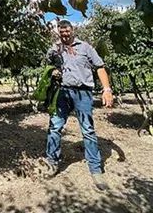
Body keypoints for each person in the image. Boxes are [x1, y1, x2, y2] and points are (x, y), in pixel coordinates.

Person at [45, 19, 113, 191]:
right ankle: (52, 162)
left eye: (67, 31)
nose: (65, 34)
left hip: (83, 93)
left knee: (88, 130)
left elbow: (100, 67)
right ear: (58, 32)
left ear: (73, 30)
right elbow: (48, 66)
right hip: (63, 93)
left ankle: (96, 170)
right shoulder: (55, 48)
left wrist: (107, 89)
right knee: (54, 127)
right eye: (61, 32)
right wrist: (52, 71)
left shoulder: (85, 47)